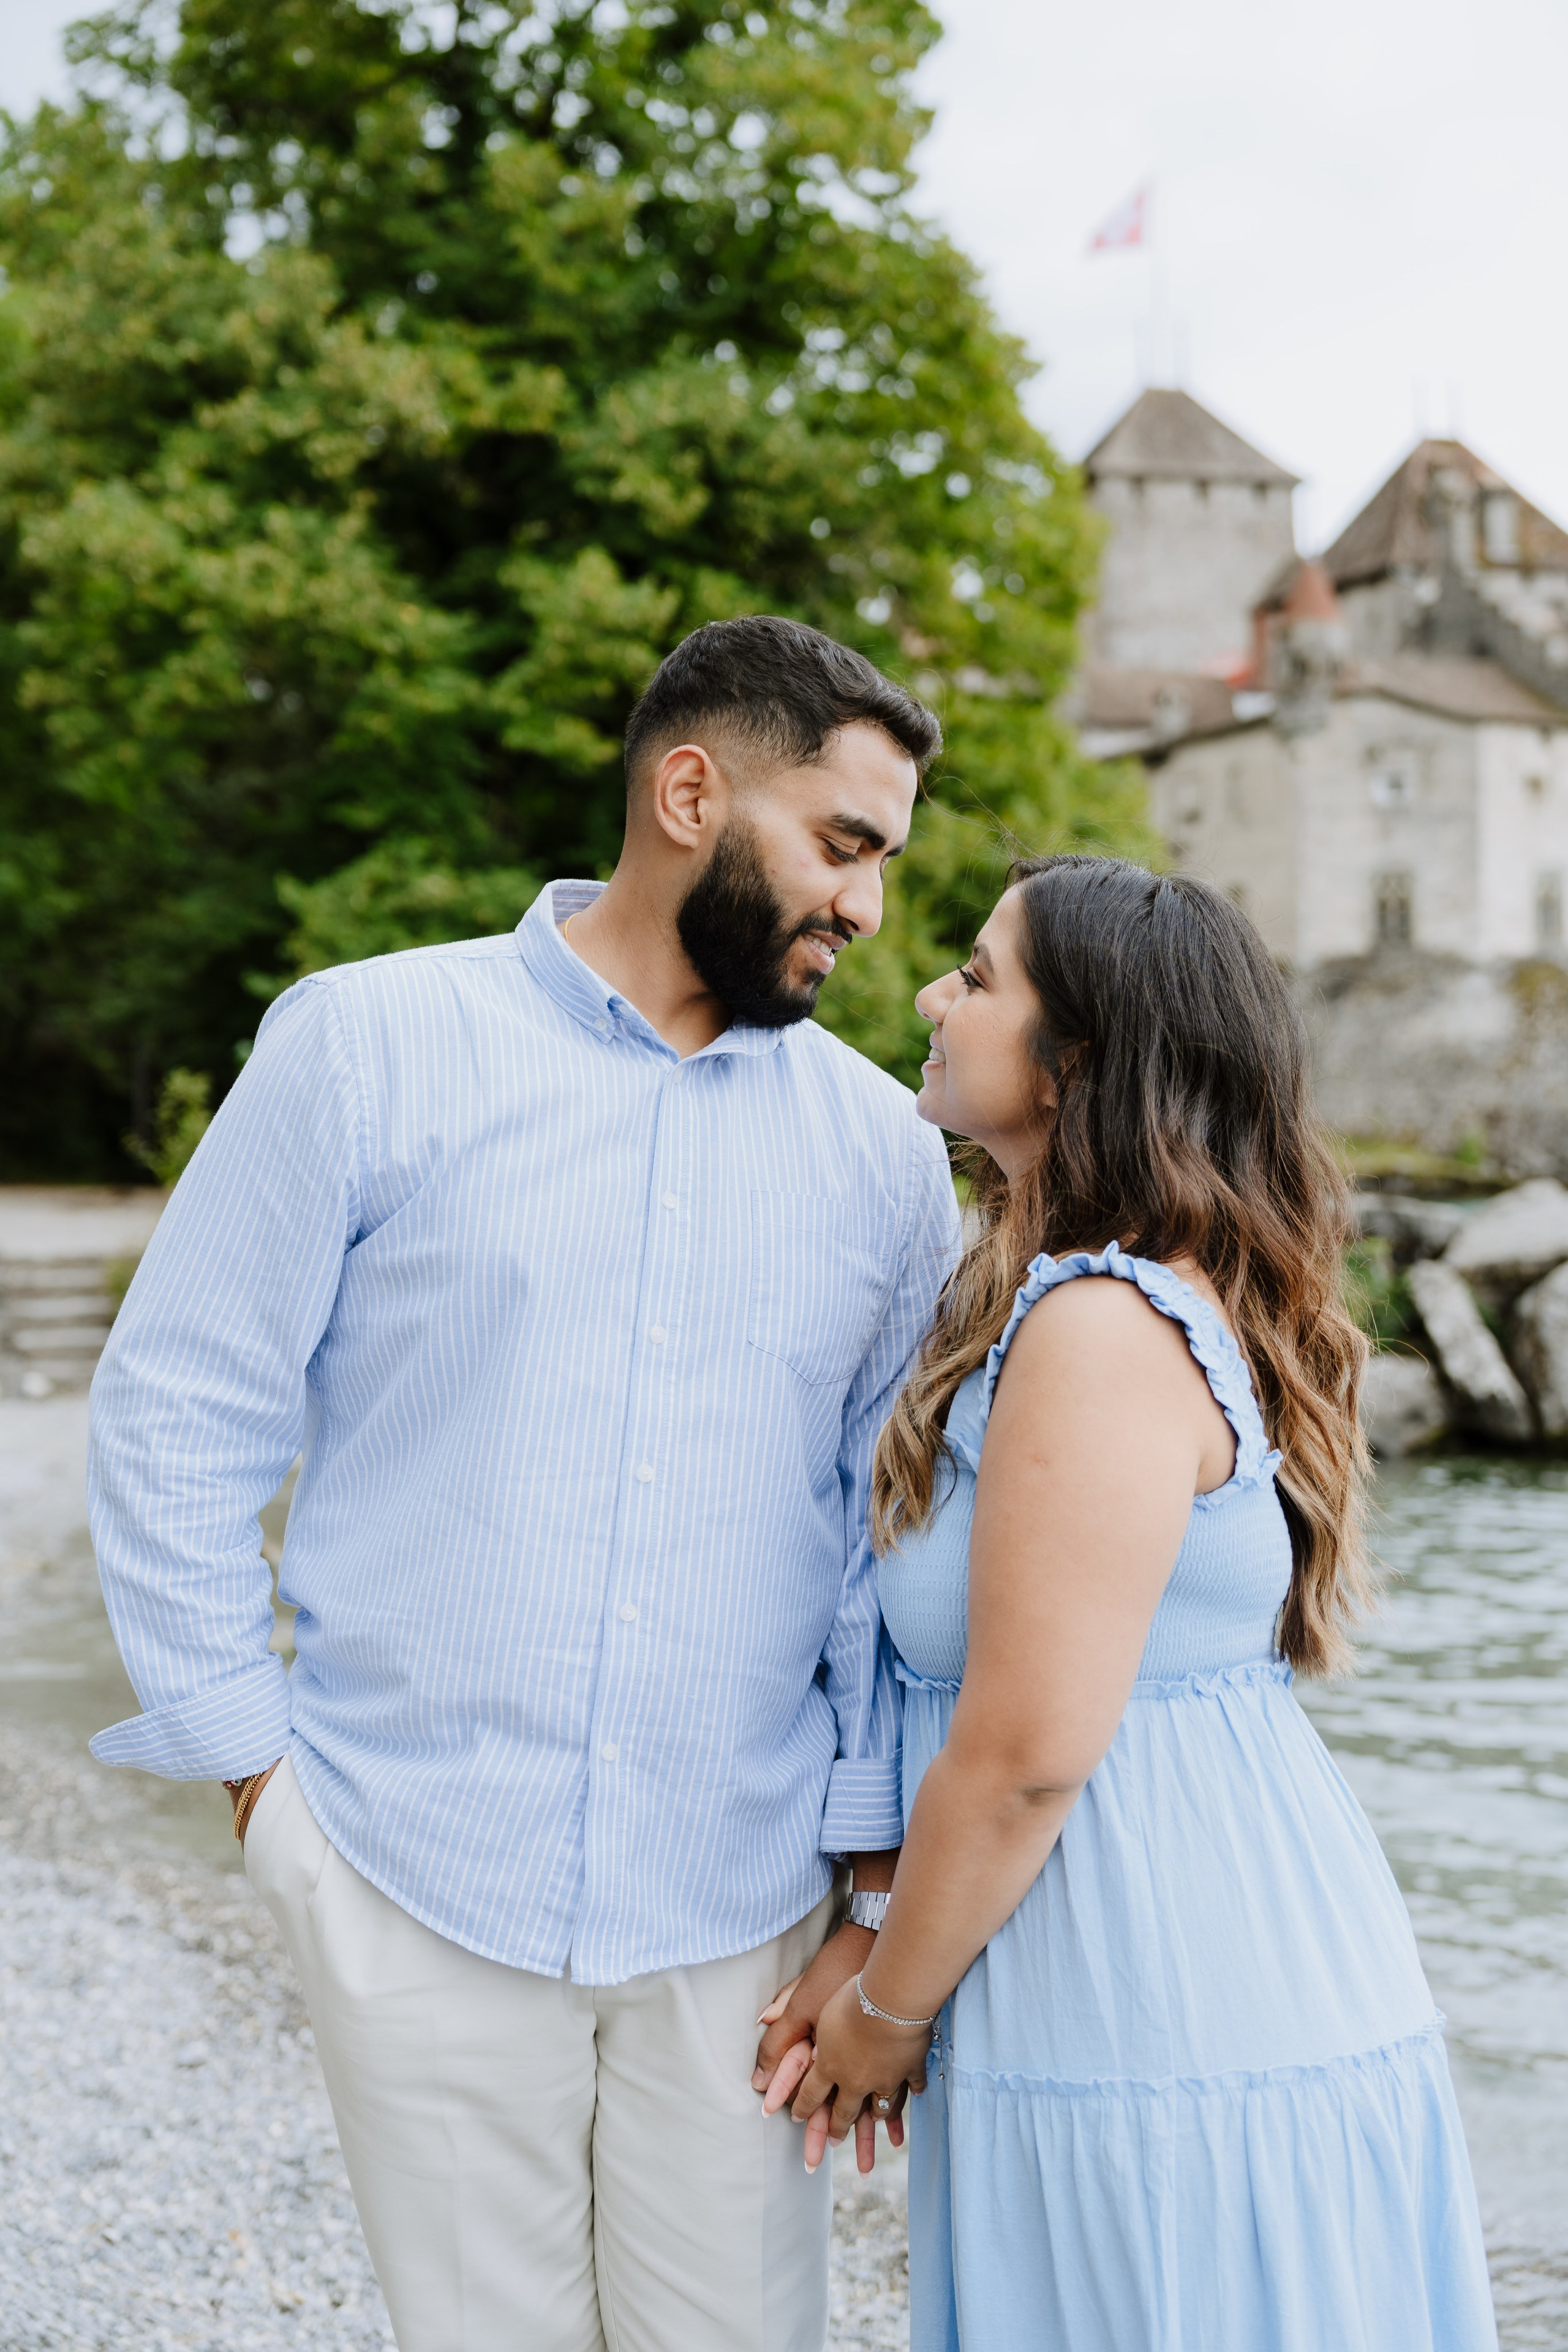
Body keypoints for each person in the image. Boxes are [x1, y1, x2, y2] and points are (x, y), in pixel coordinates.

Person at [86, 616, 959, 2352]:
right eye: (843, 844)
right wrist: (261, 1793)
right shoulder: (363, 1047)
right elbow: (179, 1407)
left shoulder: (882, 1155)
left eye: (883, 862)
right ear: (690, 792)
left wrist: (868, 1900)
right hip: (410, 1866)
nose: (867, 907)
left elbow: (883, 1545)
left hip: (746, 1905)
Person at [791, 856, 1499, 2350]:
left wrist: (885, 2014)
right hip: (1154, 1965)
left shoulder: (1099, 1329)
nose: (930, 994)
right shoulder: (1088, 1296)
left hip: (1155, 1994)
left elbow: (1027, 1746)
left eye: (977, 977)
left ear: (1075, 1067)